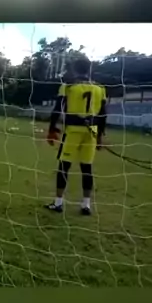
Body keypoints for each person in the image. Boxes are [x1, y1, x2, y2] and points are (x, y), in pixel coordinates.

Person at [45, 55, 107, 216]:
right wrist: (100, 135)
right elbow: (103, 114)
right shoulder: (100, 88)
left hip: (73, 130)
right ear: (89, 69)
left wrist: (52, 129)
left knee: (64, 166)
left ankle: (58, 203)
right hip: (91, 131)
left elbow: (57, 109)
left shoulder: (68, 86)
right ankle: (86, 205)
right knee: (87, 167)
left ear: (74, 69)